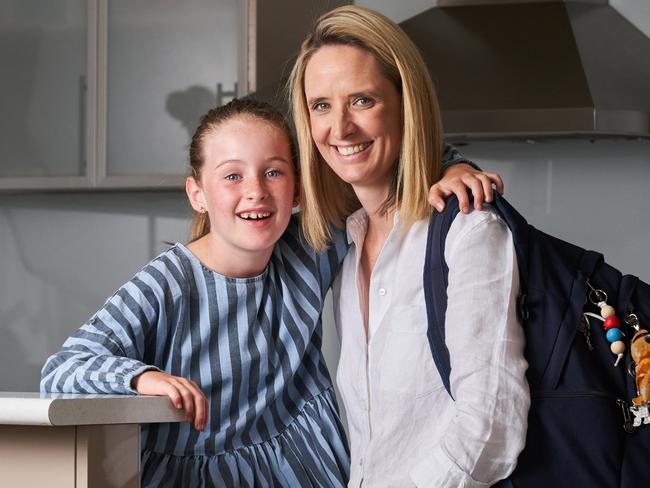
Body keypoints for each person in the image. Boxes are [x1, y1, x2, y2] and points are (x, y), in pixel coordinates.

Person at [40, 98, 495, 487]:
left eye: (273, 172)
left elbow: (388, 163)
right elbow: (63, 370)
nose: (256, 192)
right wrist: (142, 378)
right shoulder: (167, 284)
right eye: (232, 176)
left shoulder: (309, 244)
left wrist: (454, 166)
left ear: (297, 187)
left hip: (310, 472)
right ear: (197, 194)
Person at [288, 5, 530, 488]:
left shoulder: (467, 231)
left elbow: (490, 431)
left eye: (361, 100)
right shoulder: (346, 243)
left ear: (405, 102)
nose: (339, 129)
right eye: (320, 106)